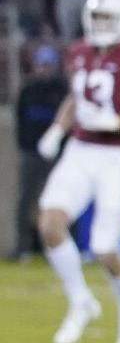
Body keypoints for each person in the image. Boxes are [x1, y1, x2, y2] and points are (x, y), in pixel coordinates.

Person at [36, 0, 120, 343]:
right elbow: (78, 99)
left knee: (106, 249)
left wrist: (115, 122)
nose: (101, 24)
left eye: (108, 17)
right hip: (80, 150)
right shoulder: (78, 52)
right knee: (50, 224)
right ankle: (81, 301)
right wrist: (57, 130)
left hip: (115, 157)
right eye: (97, 17)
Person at [13, 46, 67, 261]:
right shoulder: (28, 91)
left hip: (54, 156)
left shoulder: (60, 91)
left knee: (55, 202)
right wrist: (26, 147)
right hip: (31, 154)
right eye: (41, 64)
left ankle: (54, 247)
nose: (44, 69)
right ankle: (23, 248)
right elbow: (20, 121)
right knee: (26, 200)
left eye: (48, 65)